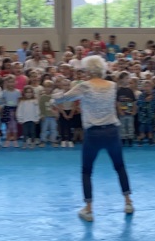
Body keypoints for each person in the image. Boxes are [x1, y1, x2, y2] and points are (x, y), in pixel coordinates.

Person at [53, 55, 133, 222]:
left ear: (88, 70)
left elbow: (63, 98)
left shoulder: (84, 86)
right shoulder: (112, 85)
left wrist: (56, 93)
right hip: (112, 131)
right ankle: (128, 202)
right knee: (120, 167)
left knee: (87, 171)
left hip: (93, 133)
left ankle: (88, 209)